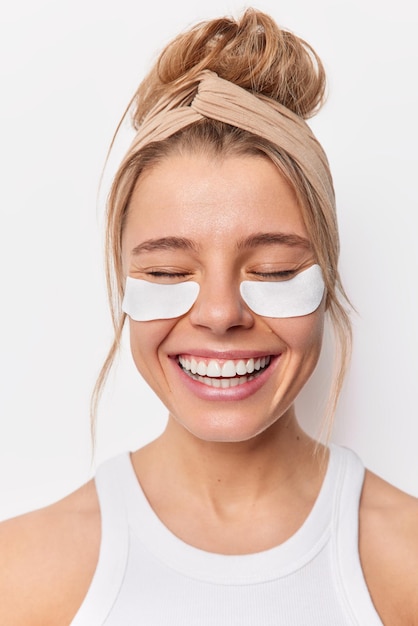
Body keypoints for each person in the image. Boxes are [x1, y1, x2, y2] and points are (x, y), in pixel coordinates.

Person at [1, 7, 417, 625]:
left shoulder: (405, 565)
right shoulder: (22, 573)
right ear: (122, 284)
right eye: (167, 274)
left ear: (327, 279)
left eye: (273, 270)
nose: (220, 314)